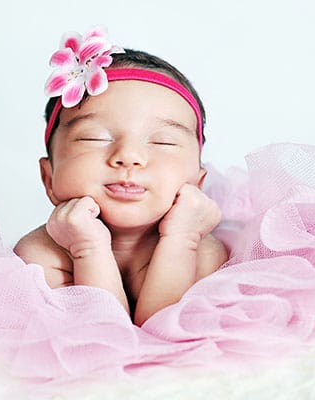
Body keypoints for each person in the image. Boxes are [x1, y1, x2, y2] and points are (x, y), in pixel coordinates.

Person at [14, 27, 228, 326]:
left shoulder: (203, 251)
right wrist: (88, 248)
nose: (129, 156)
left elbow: (168, 334)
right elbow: (101, 337)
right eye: (93, 138)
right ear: (49, 178)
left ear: (197, 184)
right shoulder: (40, 255)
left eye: (163, 142)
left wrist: (182, 239)